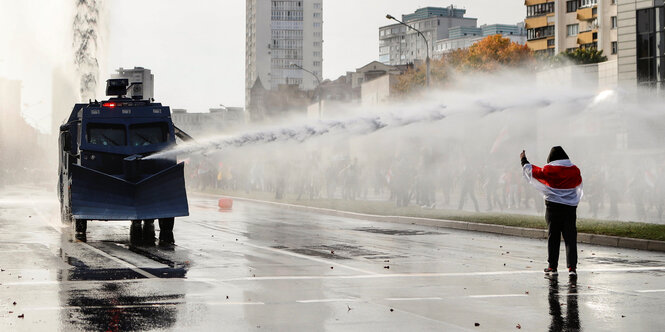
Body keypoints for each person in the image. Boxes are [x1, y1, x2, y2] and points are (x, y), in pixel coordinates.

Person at [521, 147, 583, 277]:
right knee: (570, 238)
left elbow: (535, 172)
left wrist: (524, 160)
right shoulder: (575, 170)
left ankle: (552, 267)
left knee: (553, 237)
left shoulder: (549, 170)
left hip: (553, 207)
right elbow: (578, 183)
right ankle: (572, 268)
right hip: (570, 209)